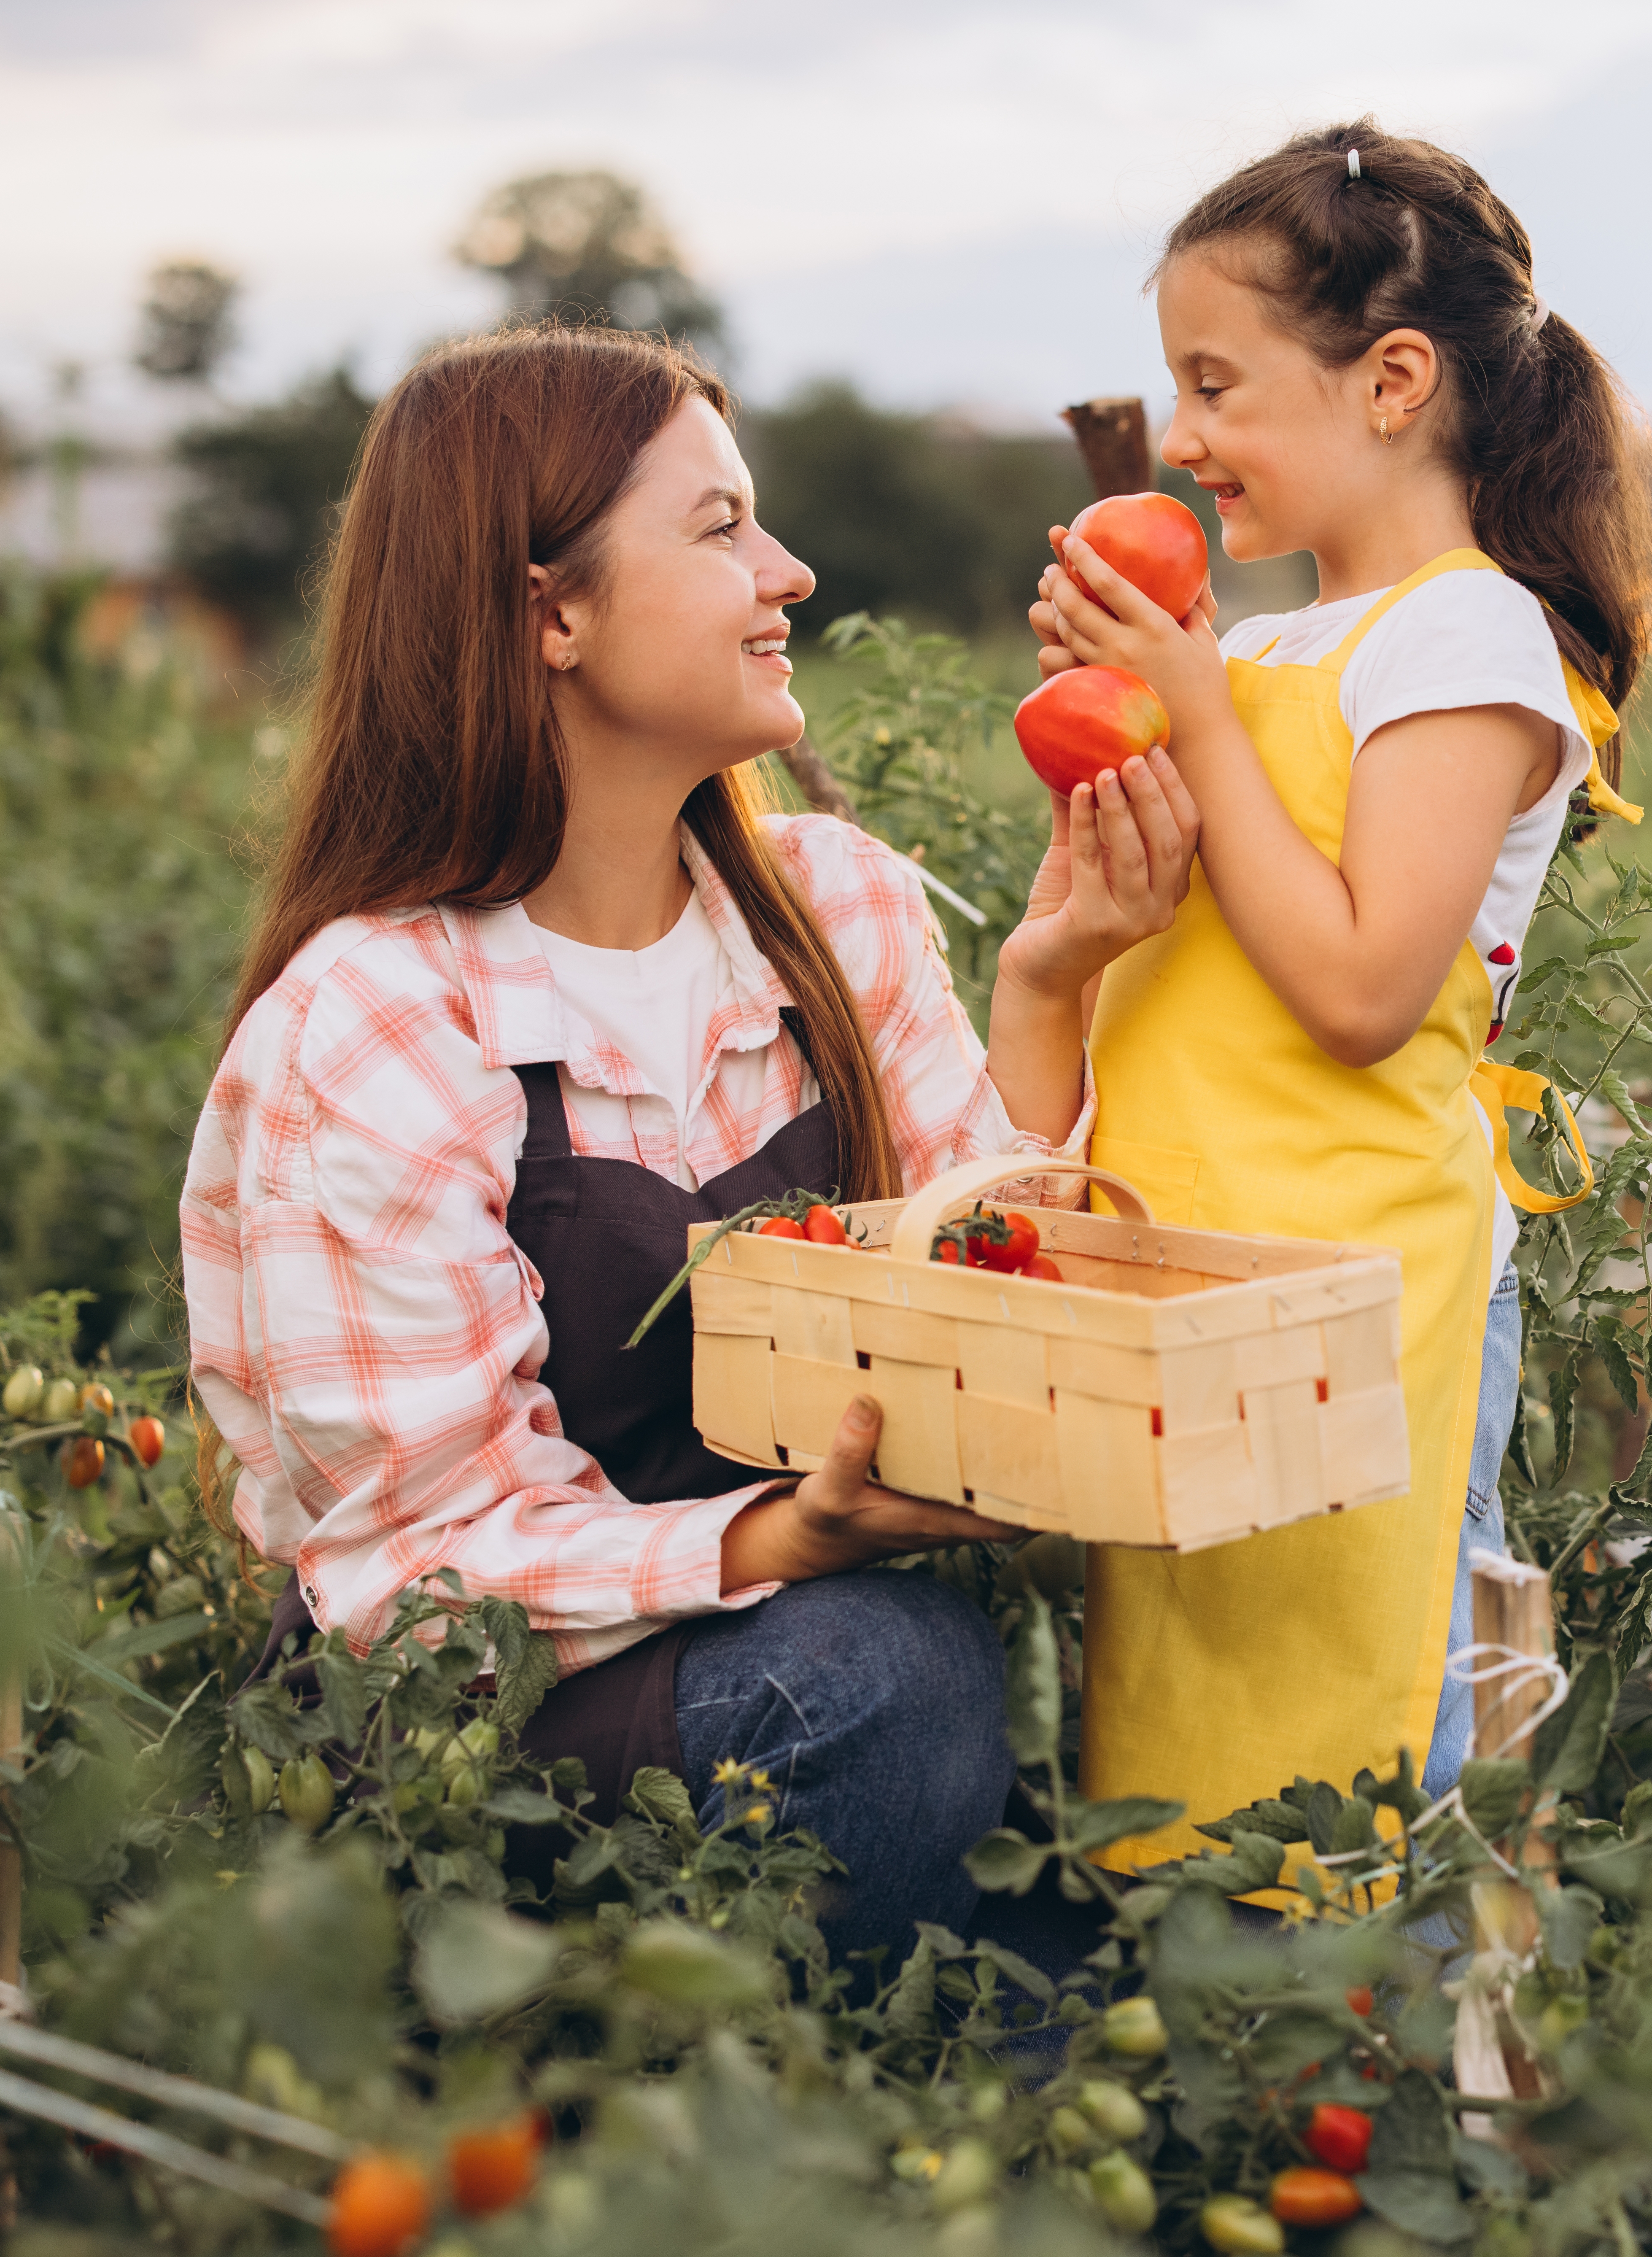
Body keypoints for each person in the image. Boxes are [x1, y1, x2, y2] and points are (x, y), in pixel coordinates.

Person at [183, 325, 1199, 1969]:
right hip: (489, 1718)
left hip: (784, 1635)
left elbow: (977, 1268)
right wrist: (775, 1540)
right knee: (885, 1674)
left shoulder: (830, 904)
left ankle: (963, 2049)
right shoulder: (374, 1023)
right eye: (720, 528)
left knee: (931, 1666)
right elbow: (424, 1570)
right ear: (550, 610)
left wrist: (1051, 975)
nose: (785, 572)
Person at [1029, 123, 1652, 1869]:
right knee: (1179, 1768)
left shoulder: (1465, 638)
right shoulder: (1251, 650)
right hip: (1198, 1268)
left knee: (1344, 1764)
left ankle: (1387, 2114)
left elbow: (1363, 989)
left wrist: (1197, 713)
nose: (1178, 438)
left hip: (1349, 1293)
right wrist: (1117, 738)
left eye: (1216, 383)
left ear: (1391, 379)